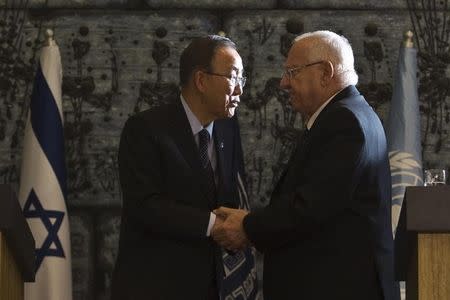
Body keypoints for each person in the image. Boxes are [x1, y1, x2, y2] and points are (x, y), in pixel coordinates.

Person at [213, 30, 395, 300]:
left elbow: (310, 207)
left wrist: (248, 225)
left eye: (292, 72)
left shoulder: (345, 122)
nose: (284, 83)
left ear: (325, 72)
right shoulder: (351, 114)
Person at [111, 35, 257, 300]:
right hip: (157, 286)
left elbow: (231, 197)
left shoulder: (227, 128)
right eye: (233, 78)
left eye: (242, 80)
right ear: (201, 80)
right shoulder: (145, 129)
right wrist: (213, 225)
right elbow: (145, 205)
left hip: (214, 287)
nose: (240, 91)